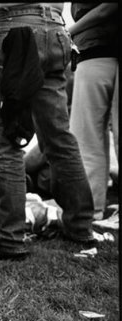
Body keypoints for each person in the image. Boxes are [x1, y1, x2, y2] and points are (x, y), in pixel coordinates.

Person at [0, 3, 95, 260]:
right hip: (55, 27)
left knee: (4, 140)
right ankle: (80, 227)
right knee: (59, 137)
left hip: (12, 27)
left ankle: (8, 239)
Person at [68, 3, 119, 221]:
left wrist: (67, 31)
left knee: (87, 136)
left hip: (96, 51)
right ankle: (93, 208)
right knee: (89, 136)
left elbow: (108, 7)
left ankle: (93, 208)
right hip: (96, 51)